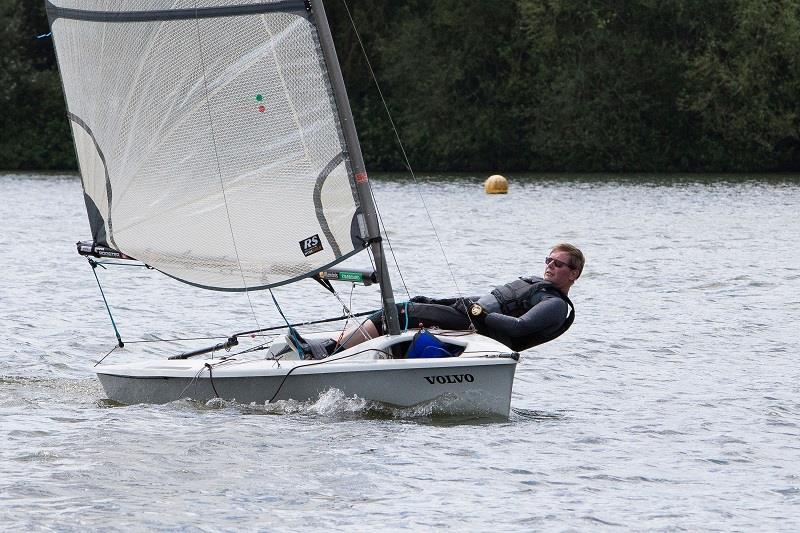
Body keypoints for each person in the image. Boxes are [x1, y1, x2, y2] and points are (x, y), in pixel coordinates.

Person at [290, 243, 584, 358]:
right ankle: (334, 345)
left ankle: (331, 354)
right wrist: (444, 301)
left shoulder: (555, 304)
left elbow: (520, 327)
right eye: (549, 260)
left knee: (399, 313)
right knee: (414, 303)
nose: (550, 265)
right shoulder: (535, 284)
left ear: (574, 274)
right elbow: (484, 300)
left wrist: (478, 312)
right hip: (468, 312)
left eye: (559, 264)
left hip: (476, 325)